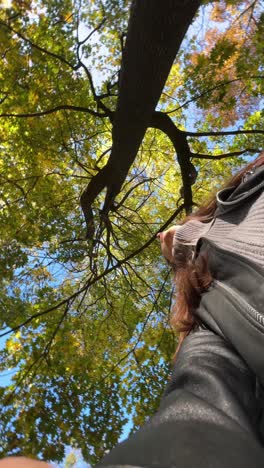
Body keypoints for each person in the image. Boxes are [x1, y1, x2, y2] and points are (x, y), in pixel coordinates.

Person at [97, 152, 264, 467]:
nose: (160, 235)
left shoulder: (244, 190)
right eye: (165, 246)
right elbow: (202, 393)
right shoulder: (206, 317)